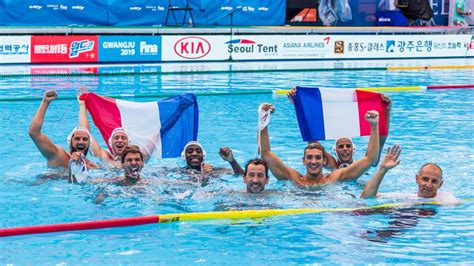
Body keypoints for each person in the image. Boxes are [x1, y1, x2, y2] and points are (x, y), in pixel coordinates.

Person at [258, 103, 380, 186]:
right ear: (303, 161)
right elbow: (265, 153)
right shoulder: (294, 179)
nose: (314, 161)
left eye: (318, 158)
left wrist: (374, 126)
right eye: (309, 157)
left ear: (323, 161)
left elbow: (370, 158)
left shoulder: (334, 178)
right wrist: (263, 119)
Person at [287, 87, 392, 171]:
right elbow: (311, 139)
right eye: (341, 146)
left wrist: (386, 109)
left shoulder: (363, 165)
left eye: (348, 146)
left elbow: (380, 138)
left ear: (353, 149)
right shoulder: (331, 166)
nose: (345, 149)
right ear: (335, 150)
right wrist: (298, 103)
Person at [360, 145, 459, 205]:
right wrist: (382, 169)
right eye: (425, 179)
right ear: (417, 179)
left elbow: (454, 204)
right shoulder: (406, 197)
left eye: (434, 181)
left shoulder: (445, 197)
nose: (428, 185)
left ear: (440, 184)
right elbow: (367, 197)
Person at [28, 90, 97, 171]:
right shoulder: (58, 155)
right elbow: (34, 133)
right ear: (70, 141)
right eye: (77, 139)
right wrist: (45, 102)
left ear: (89, 143)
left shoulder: (90, 166)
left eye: (85, 139)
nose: (81, 142)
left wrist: (82, 105)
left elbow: (85, 131)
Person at [78, 90, 143, 168]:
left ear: (128, 143)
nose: (120, 140)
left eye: (123, 138)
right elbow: (85, 133)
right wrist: (82, 105)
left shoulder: (137, 158)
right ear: (110, 143)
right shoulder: (106, 158)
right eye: (116, 138)